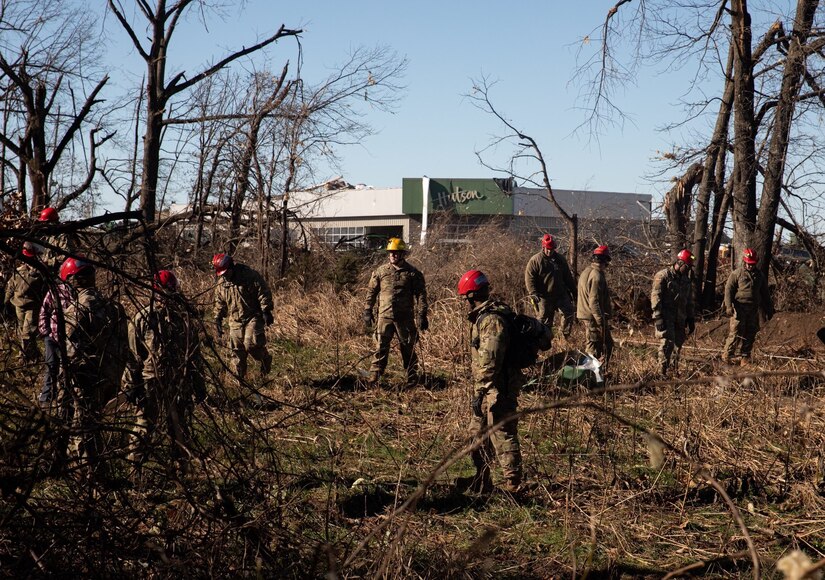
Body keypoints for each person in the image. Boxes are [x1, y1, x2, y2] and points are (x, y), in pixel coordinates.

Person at [125, 270, 205, 472]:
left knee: (174, 426)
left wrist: (199, 385)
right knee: (149, 425)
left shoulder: (182, 319)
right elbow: (133, 356)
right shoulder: (146, 317)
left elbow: (194, 356)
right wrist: (131, 386)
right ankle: (137, 470)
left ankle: (182, 469)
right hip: (155, 380)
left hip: (175, 380)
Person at [456, 269, 523, 494]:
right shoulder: (485, 317)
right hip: (487, 388)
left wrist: (481, 390)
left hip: (497, 388)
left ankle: (514, 485)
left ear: (471, 296)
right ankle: (482, 479)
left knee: (502, 433)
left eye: (466, 298)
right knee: (477, 434)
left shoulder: (492, 320)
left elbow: (490, 360)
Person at [60, 256, 126, 478]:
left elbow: (68, 350)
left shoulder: (77, 309)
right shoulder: (112, 306)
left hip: (85, 377)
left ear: (71, 281)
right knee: (94, 424)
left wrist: (64, 382)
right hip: (109, 374)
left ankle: (89, 478)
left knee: (82, 428)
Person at [362, 237, 428, 387]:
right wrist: (367, 310)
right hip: (384, 317)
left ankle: (412, 378)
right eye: (391, 252)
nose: (393, 255)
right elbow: (371, 292)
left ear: (402, 254)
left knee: (408, 348)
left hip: (405, 319)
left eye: (396, 253)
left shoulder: (413, 273)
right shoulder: (380, 272)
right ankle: (374, 378)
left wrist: (422, 314)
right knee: (380, 348)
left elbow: (421, 295)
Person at [212, 253, 274, 384]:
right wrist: (217, 318)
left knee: (252, 345)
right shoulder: (222, 284)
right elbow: (220, 302)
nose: (224, 276)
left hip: (253, 316)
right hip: (235, 321)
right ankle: (241, 383)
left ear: (231, 267)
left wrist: (266, 310)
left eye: (225, 272)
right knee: (237, 354)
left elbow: (263, 291)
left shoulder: (249, 275)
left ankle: (265, 359)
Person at [722, 248, 773, 365]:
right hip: (738, 309)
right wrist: (728, 306)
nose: (750, 266)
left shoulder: (760, 276)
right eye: (748, 264)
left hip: (753, 309)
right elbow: (728, 290)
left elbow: (765, 293)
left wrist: (769, 309)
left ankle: (745, 356)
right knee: (735, 333)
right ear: (744, 262)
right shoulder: (736, 274)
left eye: (752, 264)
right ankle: (727, 356)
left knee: (750, 333)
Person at [650, 249, 696, 377]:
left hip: (680, 318)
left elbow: (689, 301)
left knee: (678, 345)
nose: (688, 270)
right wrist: (658, 316)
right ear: (680, 263)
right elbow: (656, 297)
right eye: (687, 266)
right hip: (665, 317)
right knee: (666, 344)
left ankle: (673, 371)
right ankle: (661, 373)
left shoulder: (686, 280)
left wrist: (691, 318)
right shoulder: (663, 276)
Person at [524, 233, 576, 339]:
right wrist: (533, 292)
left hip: (560, 294)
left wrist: (574, 291)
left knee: (569, 313)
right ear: (543, 247)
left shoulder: (560, 259)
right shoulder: (535, 260)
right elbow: (529, 278)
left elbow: (568, 277)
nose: (549, 251)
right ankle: (544, 341)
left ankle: (564, 337)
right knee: (544, 321)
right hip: (544, 296)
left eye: (552, 249)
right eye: (547, 249)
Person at [3, 242, 46, 364]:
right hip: (18, 305)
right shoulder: (18, 271)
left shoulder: (39, 272)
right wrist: (5, 302)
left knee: (28, 332)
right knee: (22, 331)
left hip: (32, 306)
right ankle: (30, 354)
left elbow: (45, 288)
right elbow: (11, 287)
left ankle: (26, 356)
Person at [38, 271, 74, 408]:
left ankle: (65, 399)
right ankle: (46, 398)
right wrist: (46, 332)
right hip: (53, 337)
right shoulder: (56, 291)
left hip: (70, 341)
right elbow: (44, 311)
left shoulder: (80, 295)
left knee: (68, 369)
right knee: (51, 366)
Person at [577, 245, 614, 367]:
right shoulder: (597, 276)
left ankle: (597, 373)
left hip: (588, 315)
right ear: (604, 261)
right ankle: (591, 375)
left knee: (599, 345)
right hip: (593, 317)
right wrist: (600, 321)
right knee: (594, 348)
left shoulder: (587, 271)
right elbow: (594, 301)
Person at [37, 207, 77, 272]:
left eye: (45, 223)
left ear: (51, 222)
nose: (43, 225)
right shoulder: (48, 237)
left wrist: (49, 262)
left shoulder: (62, 236)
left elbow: (68, 255)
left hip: (60, 274)